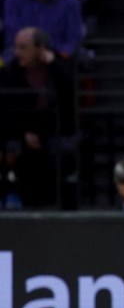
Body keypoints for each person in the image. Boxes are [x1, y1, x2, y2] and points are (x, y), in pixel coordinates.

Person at [0, 26, 75, 209]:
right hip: (20, 131)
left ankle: (59, 207)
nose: (17, 53)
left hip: (53, 130)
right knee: (20, 152)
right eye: (16, 47)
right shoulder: (10, 73)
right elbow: (6, 110)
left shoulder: (59, 67)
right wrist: (24, 133)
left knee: (60, 150)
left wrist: (54, 65)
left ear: (40, 49)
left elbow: (69, 102)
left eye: (23, 47)